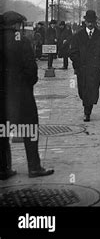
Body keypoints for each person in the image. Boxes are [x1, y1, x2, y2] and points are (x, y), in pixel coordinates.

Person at [0, 11, 54, 179]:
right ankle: (34, 167)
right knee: (29, 128)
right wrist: (27, 84)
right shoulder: (21, 41)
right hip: (21, 94)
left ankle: (3, 169)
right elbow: (31, 70)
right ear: (16, 25)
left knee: (2, 132)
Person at [69, 10, 100, 121]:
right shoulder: (78, 36)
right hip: (83, 68)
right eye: (88, 22)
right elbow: (73, 52)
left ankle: (88, 111)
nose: (90, 24)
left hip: (95, 69)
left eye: (92, 22)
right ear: (85, 22)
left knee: (93, 89)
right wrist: (78, 64)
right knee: (83, 90)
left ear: (95, 22)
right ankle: (86, 107)